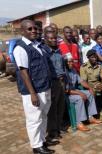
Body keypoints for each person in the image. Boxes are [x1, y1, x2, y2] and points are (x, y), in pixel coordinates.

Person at [13, 19, 54, 154]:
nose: (33, 31)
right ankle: (36, 147)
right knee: (34, 119)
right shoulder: (20, 48)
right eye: (29, 29)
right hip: (34, 91)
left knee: (43, 116)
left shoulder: (38, 45)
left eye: (35, 28)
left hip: (45, 87)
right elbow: (23, 72)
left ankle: (42, 141)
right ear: (22, 31)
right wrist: (32, 93)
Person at [65, 56, 102, 131]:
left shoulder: (73, 70)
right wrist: (80, 93)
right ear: (65, 63)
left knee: (90, 93)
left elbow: (81, 81)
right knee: (79, 98)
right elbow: (66, 90)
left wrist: (89, 88)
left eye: (72, 61)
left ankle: (90, 117)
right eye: (69, 62)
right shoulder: (63, 72)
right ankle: (79, 122)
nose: (71, 63)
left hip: (75, 90)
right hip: (68, 94)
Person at [43, 32, 66, 143]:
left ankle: (58, 127)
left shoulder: (58, 51)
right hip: (53, 83)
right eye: (51, 38)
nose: (53, 40)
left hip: (61, 81)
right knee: (52, 109)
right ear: (46, 39)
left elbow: (62, 66)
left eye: (55, 38)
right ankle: (52, 132)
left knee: (60, 106)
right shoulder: (45, 52)